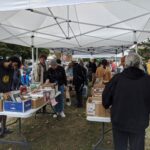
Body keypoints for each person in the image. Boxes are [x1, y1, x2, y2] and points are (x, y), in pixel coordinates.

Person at [102, 53, 150, 150]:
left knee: (120, 147)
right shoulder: (147, 80)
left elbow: (105, 100)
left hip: (120, 121)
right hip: (139, 122)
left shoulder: (117, 79)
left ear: (126, 64)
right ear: (139, 63)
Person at [0, 56, 21, 136]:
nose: (14, 67)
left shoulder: (11, 70)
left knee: (4, 111)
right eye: (14, 65)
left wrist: (9, 91)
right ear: (10, 61)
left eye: (16, 66)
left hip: (6, 92)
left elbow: (10, 81)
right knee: (0, 111)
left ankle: (4, 128)